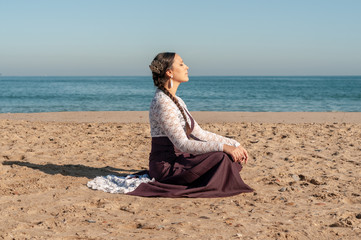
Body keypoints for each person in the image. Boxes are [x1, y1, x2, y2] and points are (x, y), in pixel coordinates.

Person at [128, 52, 253, 198]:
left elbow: (199, 134)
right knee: (221, 157)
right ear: (169, 73)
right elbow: (183, 144)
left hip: (181, 159)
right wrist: (224, 147)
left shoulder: (177, 100)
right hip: (167, 167)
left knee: (226, 156)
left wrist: (234, 144)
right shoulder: (163, 103)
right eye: (181, 64)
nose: (187, 67)